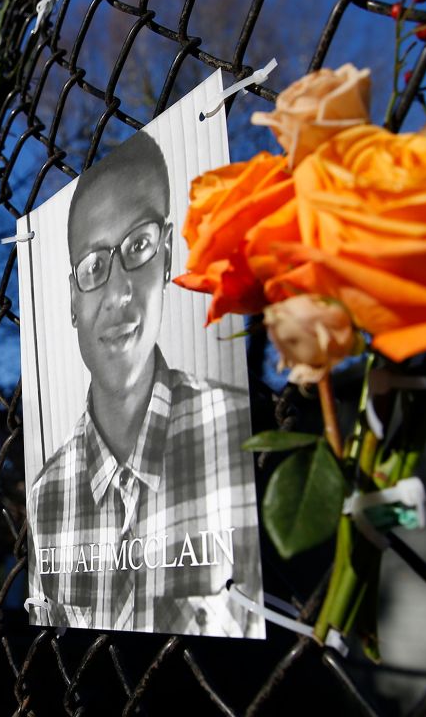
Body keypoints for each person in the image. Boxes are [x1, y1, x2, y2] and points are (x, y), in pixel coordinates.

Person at [26, 131, 260, 636]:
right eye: (92, 266)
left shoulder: (240, 434)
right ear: (72, 296)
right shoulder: (45, 493)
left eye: (138, 246)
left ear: (168, 252)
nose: (118, 292)